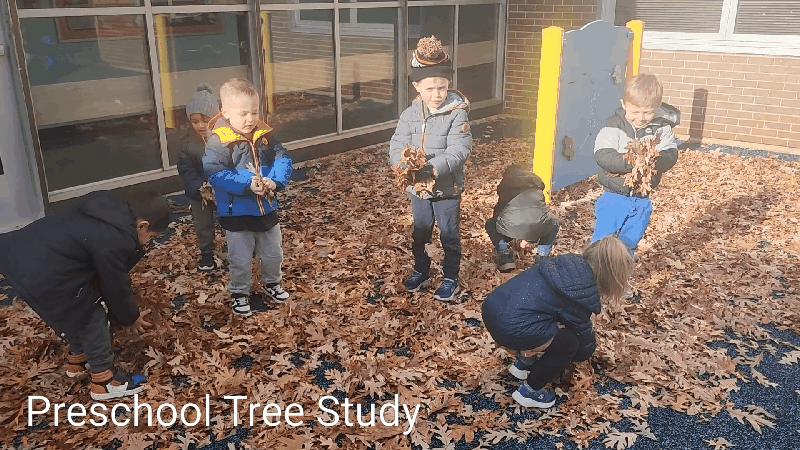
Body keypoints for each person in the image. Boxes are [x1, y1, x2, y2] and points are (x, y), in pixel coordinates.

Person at [0, 190, 170, 400]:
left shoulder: (109, 212)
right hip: (44, 270)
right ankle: (104, 380)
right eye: (150, 237)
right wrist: (130, 317)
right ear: (142, 225)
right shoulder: (115, 239)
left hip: (30, 256)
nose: (146, 243)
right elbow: (115, 285)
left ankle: (78, 359)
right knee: (91, 314)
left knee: (76, 309)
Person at [481, 235, 634, 408]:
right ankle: (530, 390)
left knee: (543, 319)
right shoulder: (581, 291)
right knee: (568, 344)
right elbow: (581, 334)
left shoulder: (565, 265)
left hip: (493, 308)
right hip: (510, 327)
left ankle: (523, 364)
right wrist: (584, 353)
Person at [389, 36, 472, 302]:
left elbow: (460, 150)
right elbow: (397, 144)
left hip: (447, 188)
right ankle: (421, 270)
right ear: (417, 86)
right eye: (430, 88)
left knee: (449, 234)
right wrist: (403, 166)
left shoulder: (457, 113)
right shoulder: (409, 114)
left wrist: (432, 168)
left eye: (442, 87)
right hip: (418, 189)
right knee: (420, 231)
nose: (437, 94)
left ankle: (450, 277)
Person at [203, 78, 292, 317]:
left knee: (273, 252)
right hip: (236, 212)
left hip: (266, 208)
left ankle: (272, 283)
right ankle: (240, 293)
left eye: (254, 111)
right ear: (225, 112)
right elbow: (215, 173)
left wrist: (275, 180)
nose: (250, 119)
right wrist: (246, 183)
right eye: (243, 113)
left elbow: (283, 158)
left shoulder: (266, 134)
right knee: (240, 258)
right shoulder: (219, 141)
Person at [592, 73, 679, 255]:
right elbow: (603, 155)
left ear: (658, 106)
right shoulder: (614, 125)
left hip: (642, 198)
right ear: (624, 105)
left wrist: (652, 160)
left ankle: (621, 275)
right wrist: (631, 162)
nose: (640, 118)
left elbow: (670, 154)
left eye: (648, 112)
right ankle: (593, 274)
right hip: (614, 195)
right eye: (635, 112)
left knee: (629, 242)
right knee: (601, 241)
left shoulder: (662, 128)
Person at [177, 83, 220, 271]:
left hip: (222, 188)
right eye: (195, 121)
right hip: (199, 192)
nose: (200, 125)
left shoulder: (223, 137)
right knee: (203, 224)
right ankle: (207, 254)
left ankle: (239, 248)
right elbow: (186, 169)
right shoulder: (187, 143)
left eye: (205, 120)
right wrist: (199, 187)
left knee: (231, 220)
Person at [485, 164, 559, 272]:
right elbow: (541, 207)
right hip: (538, 225)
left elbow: (499, 211)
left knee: (491, 224)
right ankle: (541, 258)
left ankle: (505, 256)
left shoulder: (506, 185)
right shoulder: (537, 183)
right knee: (553, 223)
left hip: (511, 226)